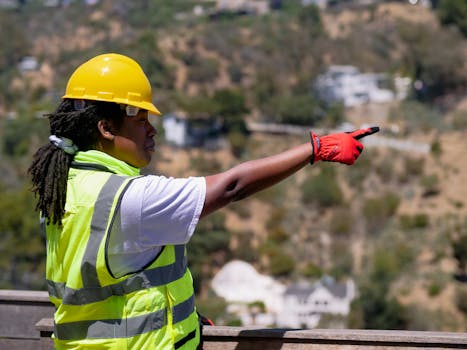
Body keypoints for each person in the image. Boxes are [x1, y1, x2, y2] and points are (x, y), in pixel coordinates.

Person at [28, 53, 379, 350]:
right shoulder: (130, 199)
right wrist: (315, 150)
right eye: (140, 120)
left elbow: (115, 279)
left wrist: (184, 320)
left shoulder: (64, 186)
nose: (152, 130)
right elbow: (232, 187)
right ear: (106, 128)